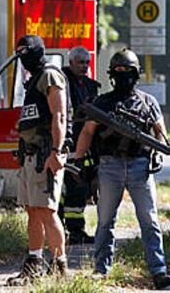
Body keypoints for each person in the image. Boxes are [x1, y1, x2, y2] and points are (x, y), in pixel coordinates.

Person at [74, 48, 170, 289]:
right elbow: (88, 132)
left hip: (140, 166)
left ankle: (159, 270)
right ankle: (101, 269)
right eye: (118, 71)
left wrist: (160, 152)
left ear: (136, 74)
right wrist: (78, 159)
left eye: (127, 72)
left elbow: (161, 133)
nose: (122, 76)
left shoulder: (146, 102)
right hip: (109, 167)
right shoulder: (102, 103)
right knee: (105, 221)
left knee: (149, 220)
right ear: (111, 74)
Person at [8, 35, 70, 285]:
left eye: (26, 52)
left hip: (46, 153)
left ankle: (59, 268)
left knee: (46, 210)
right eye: (19, 53)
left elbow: (60, 116)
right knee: (32, 210)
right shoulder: (33, 79)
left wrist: (55, 151)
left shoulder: (50, 75)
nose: (23, 58)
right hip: (31, 155)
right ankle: (33, 265)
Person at [58, 46, 100, 245]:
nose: (84, 66)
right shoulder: (62, 81)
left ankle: (76, 232)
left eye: (87, 63)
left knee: (79, 190)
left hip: (84, 147)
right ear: (71, 62)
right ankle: (58, 231)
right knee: (63, 192)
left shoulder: (90, 86)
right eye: (80, 62)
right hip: (65, 145)